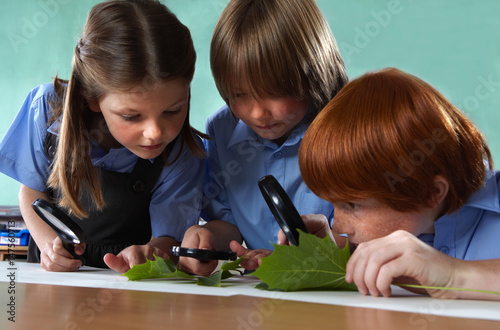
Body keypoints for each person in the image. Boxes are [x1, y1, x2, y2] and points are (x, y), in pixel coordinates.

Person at [0, 0, 206, 273]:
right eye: (132, 117)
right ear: (91, 97)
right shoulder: (46, 109)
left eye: (173, 110)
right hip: (52, 280)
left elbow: (168, 237)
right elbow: (31, 191)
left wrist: (152, 253)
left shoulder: (183, 153)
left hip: (130, 288)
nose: (156, 132)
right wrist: (51, 246)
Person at [294, 67, 500, 300]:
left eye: (353, 205)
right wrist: (333, 257)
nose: (340, 227)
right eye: (334, 204)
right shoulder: (411, 220)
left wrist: (453, 276)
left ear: (431, 192)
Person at [179, 0, 348, 276]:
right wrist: (205, 238)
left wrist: (316, 255)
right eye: (240, 95)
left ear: (314, 72)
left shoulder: (349, 131)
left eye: (273, 92)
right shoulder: (221, 131)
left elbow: (365, 233)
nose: (258, 113)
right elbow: (229, 223)